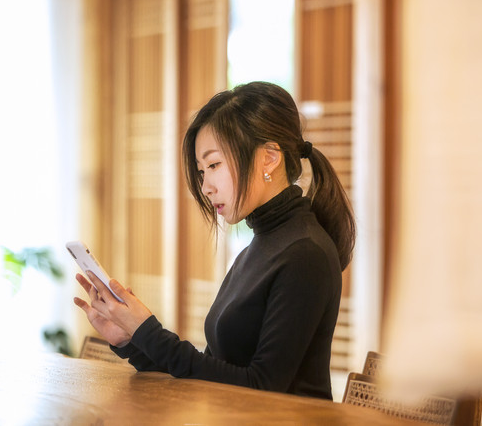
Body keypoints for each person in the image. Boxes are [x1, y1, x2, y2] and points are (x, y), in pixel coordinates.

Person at [74, 81, 355, 400]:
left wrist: (148, 331)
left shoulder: (305, 253)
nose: (205, 186)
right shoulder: (259, 248)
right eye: (201, 170)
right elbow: (213, 374)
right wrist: (132, 342)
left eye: (214, 165)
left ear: (269, 158)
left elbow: (262, 388)